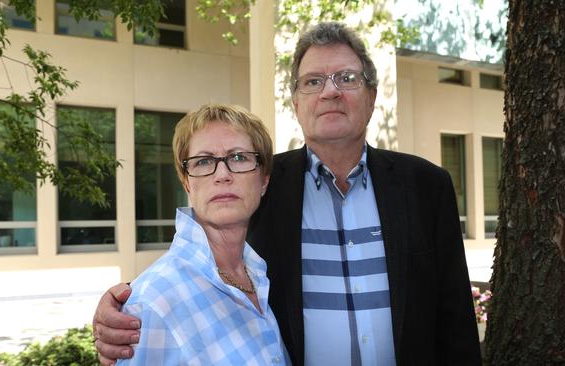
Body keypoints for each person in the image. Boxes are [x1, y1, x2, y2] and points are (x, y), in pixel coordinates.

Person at [94, 22, 481, 365]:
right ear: (296, 102)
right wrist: (130, 305)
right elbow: (205, 256)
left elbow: (456, 319)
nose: (330, 92)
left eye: (346, 78)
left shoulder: (425, 185)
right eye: (313, 81)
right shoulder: (259, 179)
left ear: (372, 95)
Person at [114, 103, 289, 365]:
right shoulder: (153, 302)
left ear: (263, 180)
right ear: (186, 181)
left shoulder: (259, 274)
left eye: (239, 157)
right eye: (204, 161)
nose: (222, 174)